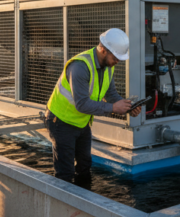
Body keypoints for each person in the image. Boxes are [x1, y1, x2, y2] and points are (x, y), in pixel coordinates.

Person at [44, 28, 141, 184]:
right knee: (65, 173)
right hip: (60, 121)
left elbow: (111, 95)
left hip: (81, 121)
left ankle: (83, 203)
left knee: (84, 166)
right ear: (103, 49)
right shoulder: (80, 67)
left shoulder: (109, 66)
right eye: (116, 57)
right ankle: (65, 206)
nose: (118, 61)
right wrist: (113, 108)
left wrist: (128, 107)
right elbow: (82, 104)